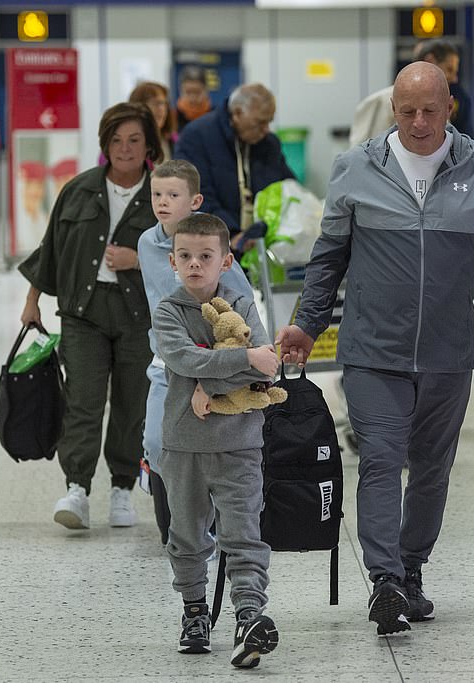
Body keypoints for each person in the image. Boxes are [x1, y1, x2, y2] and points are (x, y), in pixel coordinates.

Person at [276, 62, 474, 637]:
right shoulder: (357, 168)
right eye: (407, 111)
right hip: (374, 348)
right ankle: (385, 581)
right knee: (379, 459)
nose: (418, 122)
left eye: (430, 110)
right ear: (391, 110)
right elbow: (329, 258)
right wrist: (306, 323)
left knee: (431, 469)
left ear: (450, 106)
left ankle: (412, 570)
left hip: (449, 351)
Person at [18, 102, 163, 530]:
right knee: (82, 400)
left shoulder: (161, 193)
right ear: (105, 145)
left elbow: (183, 255)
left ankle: (121, 488)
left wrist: (137, 259)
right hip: (83, 312)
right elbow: (52, 249)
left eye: (134, 140)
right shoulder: (79, 190)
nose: (125, 149)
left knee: (130, 403)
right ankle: (77, 488)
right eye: (116, 140)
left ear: (148, 145)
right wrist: (32, 300)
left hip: (140, 315)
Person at [151, 213, 279, 667]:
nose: (194, 265)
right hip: (184, 445)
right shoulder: (169, 311)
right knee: (185, 536)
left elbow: (270, 367)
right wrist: (242, 359)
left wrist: (212, 386)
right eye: (185, 256)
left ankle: (249, 614)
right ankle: (194, 612)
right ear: (172, 260)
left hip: (240, 441)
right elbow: (183, 359)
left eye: (206, 256)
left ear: (225, 261)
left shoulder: (242, 305)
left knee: (243, 533)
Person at [137, 159, 253, 544]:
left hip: (216, 361)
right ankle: (176, 515)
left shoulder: (210, 243)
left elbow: (241, 302)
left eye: (173, 195)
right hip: (166, 362)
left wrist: (215, 375)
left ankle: (216, 525)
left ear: (195, 201)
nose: (163, 202)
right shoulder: (146, 244)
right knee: (156, 444)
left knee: (213, 444)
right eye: (156, 194)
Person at [174, 82, 294, 253]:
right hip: (213, 247)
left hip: (264, 246)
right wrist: (230, 233)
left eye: (269, 122)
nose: (266, 129)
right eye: (260, 122)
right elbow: (197, 196)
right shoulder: (197, 137)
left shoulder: (269, 144)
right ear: (237, 113)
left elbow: (286, 188)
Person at [416, 39, 474, 138]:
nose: (454, 79)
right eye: (449, 69)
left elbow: (468, 143)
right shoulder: (388, 99)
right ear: (430, 61)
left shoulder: (460, 98)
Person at [129, 81, 178, 162]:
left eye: (163, 103)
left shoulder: (174, 141)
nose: (161, 109)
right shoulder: (121, 143)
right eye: (155, 103)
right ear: (138, 107)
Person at [16, 160, 48, 253]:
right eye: (28, 185)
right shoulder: (16, 222)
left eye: (40, 186)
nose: (35, 192)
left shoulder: (42, 218)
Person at [175, 65, 213, 132]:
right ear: (180, 91)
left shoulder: (215, 118)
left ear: (206, 91)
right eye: (188, 92)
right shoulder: (172, 119)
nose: (193, 98)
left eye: (197, 92)